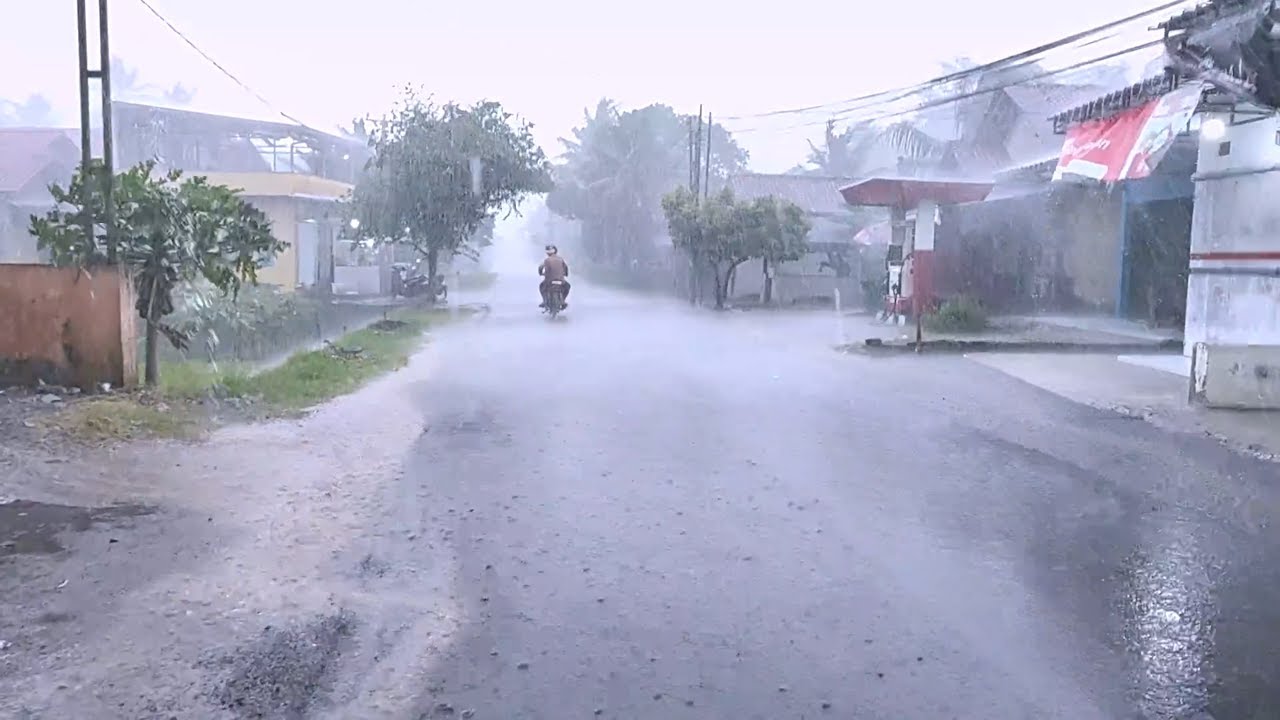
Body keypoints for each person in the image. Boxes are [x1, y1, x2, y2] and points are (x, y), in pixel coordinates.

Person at [539, 244, 570, 309]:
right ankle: (563, 301)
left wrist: (541, 273)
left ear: (547, 253)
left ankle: (544, 301)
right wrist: (566, 274)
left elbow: (540, 267)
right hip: (561, 280)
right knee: (567, 286)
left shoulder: (546, 260)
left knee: (541, 287)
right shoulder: (561, 259)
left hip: (549, 281)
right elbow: (566, 267)